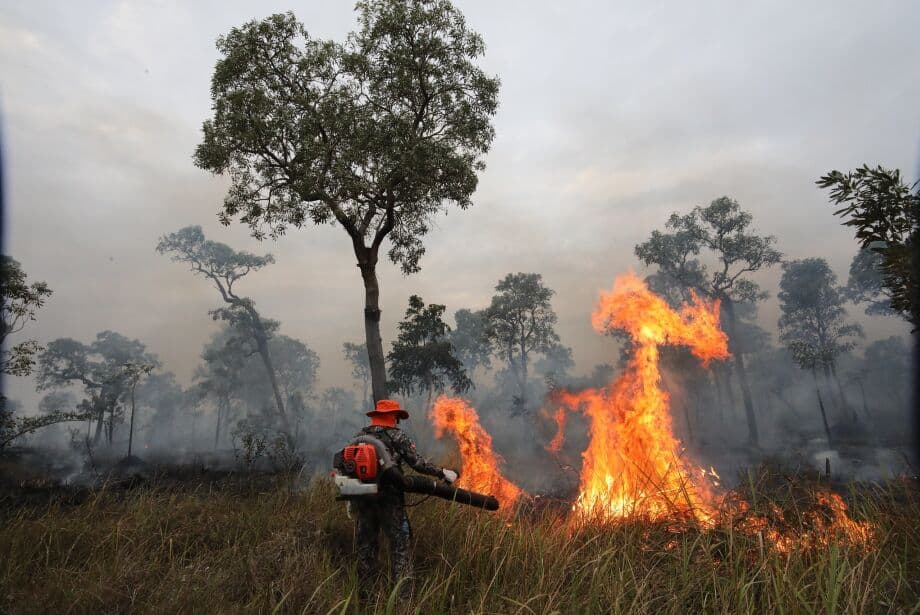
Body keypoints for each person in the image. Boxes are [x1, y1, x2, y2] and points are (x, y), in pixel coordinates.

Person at [351, 399, 458, 596]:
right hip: (390, 498)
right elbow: (417, 463)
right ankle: (403, 597)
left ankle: (365, 595)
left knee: (366, 545)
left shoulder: (359, 436)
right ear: (392, 416)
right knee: (400, 544)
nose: (398, 420)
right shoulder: (397, 436)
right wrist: (442, 472)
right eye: (397, 417)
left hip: (363, 497)